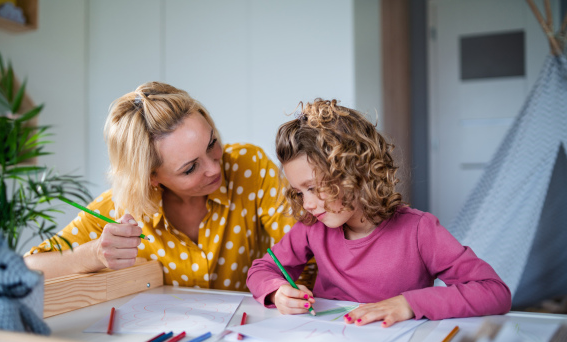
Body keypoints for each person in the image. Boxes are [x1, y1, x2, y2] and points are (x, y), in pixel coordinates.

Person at [25, 81, 317, 291]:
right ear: (151, 177)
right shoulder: (122, 206)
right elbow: (28, 268)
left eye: (212, 143)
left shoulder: (247, 166)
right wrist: (92, 254)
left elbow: (309, 251)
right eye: (190, 168)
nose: (215, 167)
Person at [246, 98, 511, 327]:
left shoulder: (419, 230)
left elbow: (494, 292)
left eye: (314, 188)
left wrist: (407, 303)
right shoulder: (311, 227)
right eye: (300, 192)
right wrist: (276, 291)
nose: (307, 204)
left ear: (355, 171)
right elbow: (262, 269)